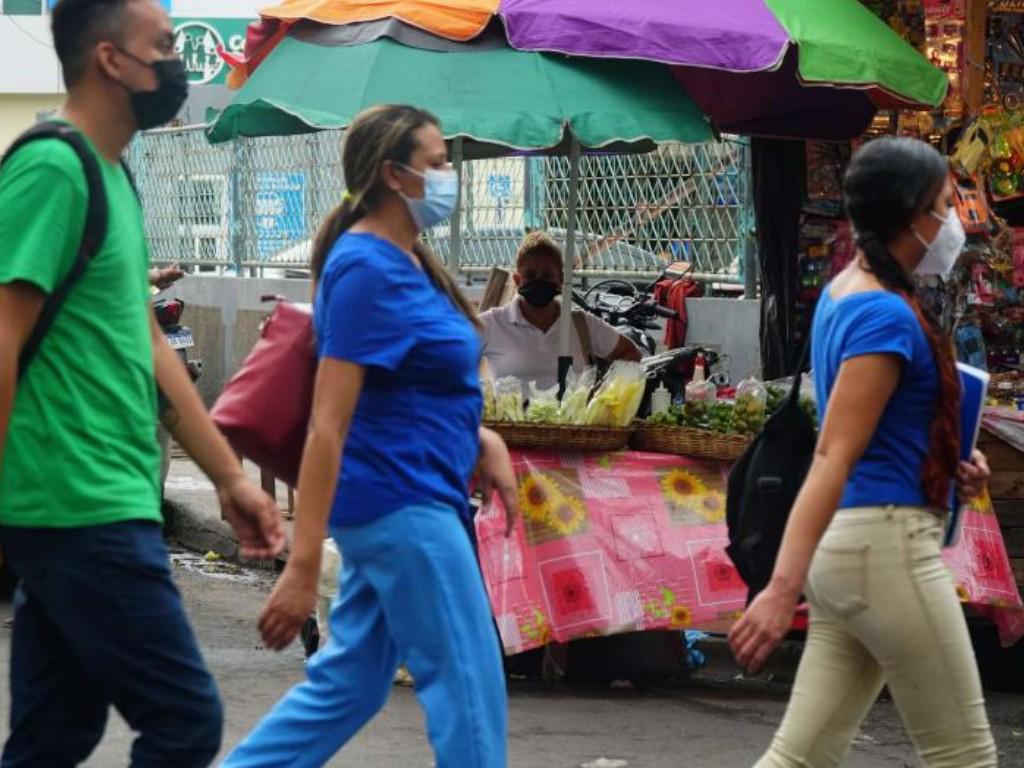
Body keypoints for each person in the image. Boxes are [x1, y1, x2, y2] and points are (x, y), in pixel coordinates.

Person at [0, 1, 286, 766]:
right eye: (161, 46)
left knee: (52, 734)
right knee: (185, 719)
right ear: (108, 60)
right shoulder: (51, 168)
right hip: (75, 497)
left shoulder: (111, 175)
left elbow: (146, 341)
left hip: (99, 493)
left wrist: (230, 478)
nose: (175, 63)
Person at [221, 104, 519, 768]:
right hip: (400, 504)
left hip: (411, 496)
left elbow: (414, 388)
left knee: (348, 687)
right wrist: (301, 569)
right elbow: (329, 425)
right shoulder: (364, 267)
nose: (450, 176)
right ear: (395, 174)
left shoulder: (404, 261)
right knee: (470, 689)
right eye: (438, 163)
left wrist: (480, 440)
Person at [728, 137, 997, 767]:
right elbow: (833, 456)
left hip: (853, 553)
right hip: (886, 549)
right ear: (911, 217)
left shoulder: (846, 293)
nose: (954, 221)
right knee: (965, 754)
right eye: (944, 206)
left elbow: (874, 435)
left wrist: (950, 459)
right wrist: (778, 588)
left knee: (802, 756)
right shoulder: (885, 313)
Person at [480, 231, 641, 389]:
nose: (539, 281)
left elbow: (630, 353)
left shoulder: (581, 325)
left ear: (561, 279)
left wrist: (603, 396)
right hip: (507, 416)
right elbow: (456, 360)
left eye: (547, 275)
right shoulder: (491, 323)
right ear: (517, 280)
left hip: (572, 416)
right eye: (530, 275)